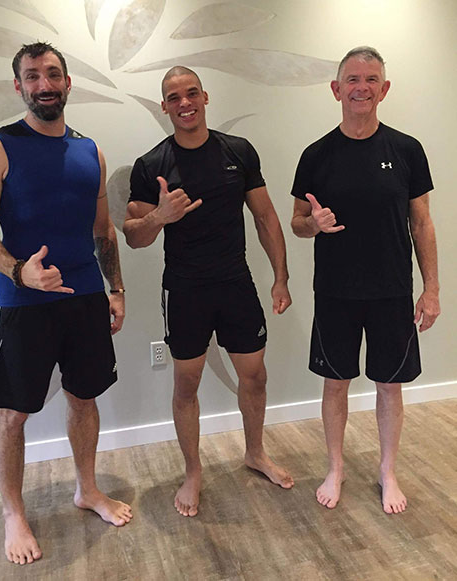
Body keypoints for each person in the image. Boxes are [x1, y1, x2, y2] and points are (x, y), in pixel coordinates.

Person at [0, 42, 132, 565]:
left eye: (53, 74)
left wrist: (117, 289)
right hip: (23, 303)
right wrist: (20, 270)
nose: (44, 84)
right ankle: (14, 513)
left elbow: (102, 230)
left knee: (84, 398)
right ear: (19, 86)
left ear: (67, 83)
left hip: (84, 298)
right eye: (32, 76)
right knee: (13, 414)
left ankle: (87, 489)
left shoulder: (91, 150)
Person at [123, 66, 293, 517]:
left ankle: (255, 452)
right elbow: (133, 236)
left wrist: (281, 276)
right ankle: (193, 470)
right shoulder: (152, 166)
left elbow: (265, 218)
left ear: (205, 96)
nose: (184, 103)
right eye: (174, 97)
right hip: (185, 290)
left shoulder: (237, 151)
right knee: (187, 382)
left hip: (236, 283)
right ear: (164, 106)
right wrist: (160, 216)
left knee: (255, 375)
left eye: (191, 93)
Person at [290, 46, 440, 514]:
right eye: (352, 79)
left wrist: (431, 287)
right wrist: (313, 224)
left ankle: (387, 470)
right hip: (334, 291)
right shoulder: (316, 154)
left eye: (371, 79)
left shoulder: (407, 150)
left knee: (389, 386)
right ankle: (335, 467)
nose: (361, 87)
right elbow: (295, 220)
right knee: (335, 383)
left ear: (384, 89)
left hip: (392, 291)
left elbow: (423, 224)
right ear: (336, 89)